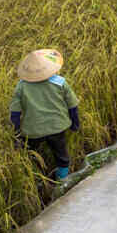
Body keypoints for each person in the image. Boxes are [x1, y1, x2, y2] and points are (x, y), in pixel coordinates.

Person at [9, 48, 80, 181]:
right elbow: (72, 105)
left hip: (33, 130)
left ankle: (37, 180)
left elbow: (15, 113)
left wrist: (17, 134)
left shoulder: (21, 86)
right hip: (57, 127)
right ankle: (62, 181)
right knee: (62, 157)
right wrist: (75, 124)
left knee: (31, 156)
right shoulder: (60, 82)